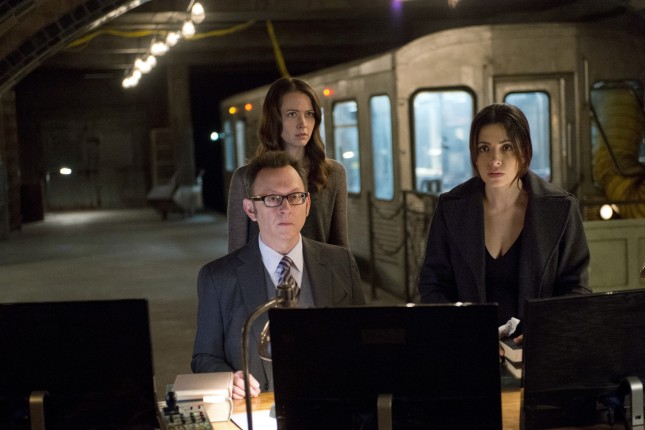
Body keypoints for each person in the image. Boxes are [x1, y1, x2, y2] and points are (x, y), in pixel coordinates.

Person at [192, 151, 365, 399]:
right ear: (250, 209)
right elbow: (204, 357)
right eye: (272, 198)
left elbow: (364, 339)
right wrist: (229, 379)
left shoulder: (341, 263)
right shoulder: (217, 277)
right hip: (257, 409)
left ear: (307, 204)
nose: (286, 208)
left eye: (295, 197)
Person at [417, 103, 590, 331]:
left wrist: (541, 331)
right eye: (484, 148)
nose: (494, 160)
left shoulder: (561, 208)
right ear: (474, 156)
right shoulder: (451, 208)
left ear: (524, 151)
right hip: (469, 342)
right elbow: (433, 286)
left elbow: (576, 289)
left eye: (506, 147)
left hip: (537, 343)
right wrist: (467, 331)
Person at [227, 77, 349, 253]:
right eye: (292, 114)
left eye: (309, 114)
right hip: (262, 271)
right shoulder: (245, 178)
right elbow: (236, 253)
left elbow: (340, 248)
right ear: (274, 119)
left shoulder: (333, 173)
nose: (303, 124)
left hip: (318, 270)